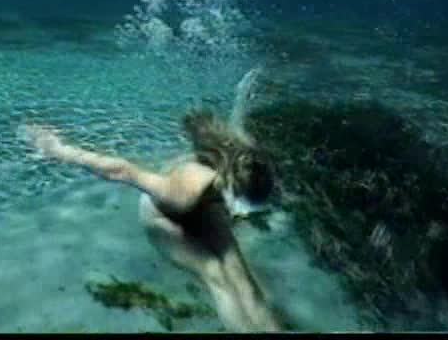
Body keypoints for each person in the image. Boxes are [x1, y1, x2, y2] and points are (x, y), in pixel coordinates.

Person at [24, 109, 283, 332]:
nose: (242, 214)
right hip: (163, 217)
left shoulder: (248, 162)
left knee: (241, 276)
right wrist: (59, 150)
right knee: (215, 273)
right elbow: (121, 170)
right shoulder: (181, 190)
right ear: (228, 187)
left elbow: (204, 123)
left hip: (206, 206)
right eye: (242, 206)